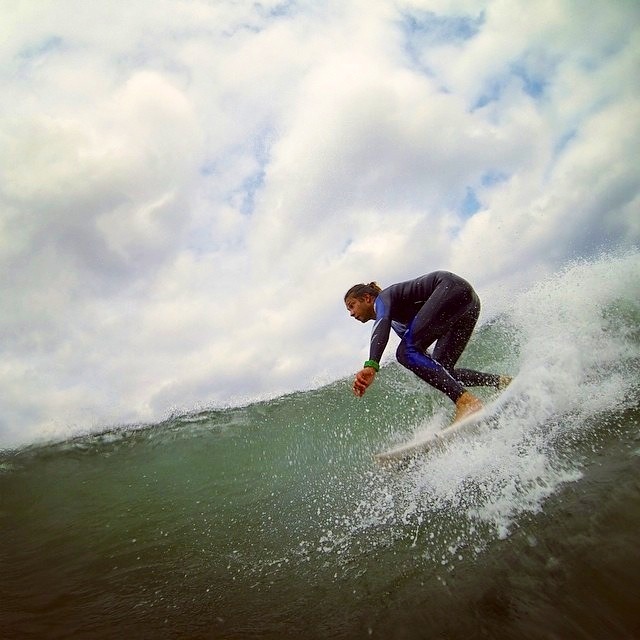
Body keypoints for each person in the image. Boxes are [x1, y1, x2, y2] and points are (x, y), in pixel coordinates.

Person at [344, 271, 511, 424]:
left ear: (367, 298)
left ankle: (467, 402)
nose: (351, 313)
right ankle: (501, 382)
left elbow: (382, 324)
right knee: (442, 370)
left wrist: (371, 365)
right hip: (467, 302)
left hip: (450, 288)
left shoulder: (383, 299)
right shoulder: (398, 324)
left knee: (403, 352)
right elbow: (423, 359)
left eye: (351, 306)